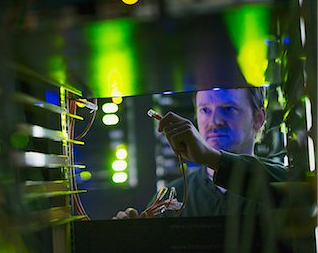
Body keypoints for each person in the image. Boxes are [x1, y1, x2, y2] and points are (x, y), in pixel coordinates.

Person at [114, 87, 287, 219]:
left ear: (259, 118)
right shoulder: (174, 197)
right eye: (205, 110)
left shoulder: (279, 179)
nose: (215, 121)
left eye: (228, 109)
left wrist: (208, 156)